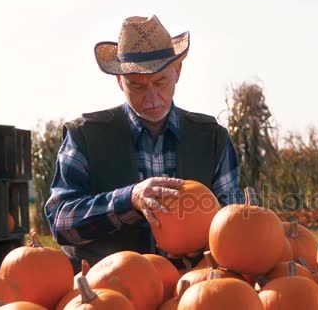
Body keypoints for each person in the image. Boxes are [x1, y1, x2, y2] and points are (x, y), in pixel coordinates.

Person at [44, 15, 243, 272]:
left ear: (177, 72)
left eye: (160, 82)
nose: (151, 98)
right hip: (110, 291)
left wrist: (205, 239)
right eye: (136, 86)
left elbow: (231, 216)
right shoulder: (84, 136)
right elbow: (61, 221)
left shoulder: (212, 138)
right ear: (120, 82)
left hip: (192, 288)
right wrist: (130, 199)